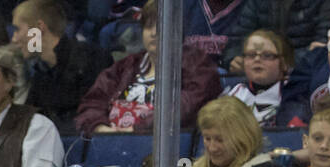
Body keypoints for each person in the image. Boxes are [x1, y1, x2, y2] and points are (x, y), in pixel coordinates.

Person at [75, 0, 223, 134]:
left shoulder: (197, 66)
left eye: (160, 26)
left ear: (178, 30)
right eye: (148, 26)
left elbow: (184, 108)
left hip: (161, 145)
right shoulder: (125, 66)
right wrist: (101, 129)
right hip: (113, 141)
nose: (153, 33)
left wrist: (137, 129)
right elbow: (92, 103)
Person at [9, 0, 108, 132]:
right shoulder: (41, 74)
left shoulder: (93, 58)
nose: (14, 39)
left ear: (39, 28)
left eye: (17, 29)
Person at [223, 29, 311, 128]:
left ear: (285, 63)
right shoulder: (235, 93)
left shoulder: (296, 95)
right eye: (251, 55)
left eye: (267, 55)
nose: (257, 59)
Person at [222, 0, 330, 75]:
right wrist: (234, 58)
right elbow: (237, 39)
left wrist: (280, 63)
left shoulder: (325, 2)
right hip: (259, 74)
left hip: (305, 74)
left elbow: (325, 46)